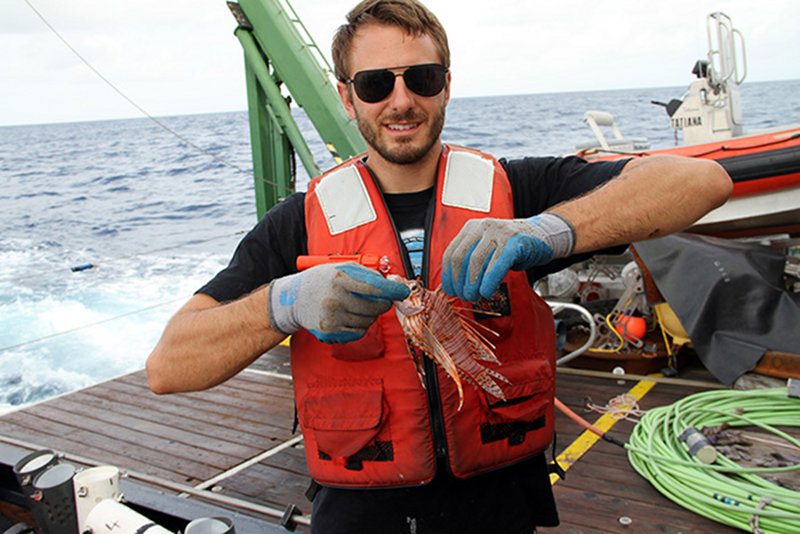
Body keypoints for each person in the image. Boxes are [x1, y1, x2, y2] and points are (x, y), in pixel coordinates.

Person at [146, 0, 733, 532]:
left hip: (500, 503)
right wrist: (283, 303)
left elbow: (702, 180)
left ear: (446, 87)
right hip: (360, 512)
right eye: (376, 84)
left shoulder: (517, 189)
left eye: (420, 79)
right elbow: (168, 366)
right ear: (347, 96)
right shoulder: (295, 223)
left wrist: (543, 231)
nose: (401, 101)